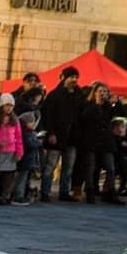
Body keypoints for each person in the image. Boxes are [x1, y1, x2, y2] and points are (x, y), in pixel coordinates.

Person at [72, 82, 124, 203]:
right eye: (100, 91)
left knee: (110, 167)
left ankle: (110, 192)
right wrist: (96, 104)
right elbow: (84, 117)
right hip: (90, 141)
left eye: (105, 91)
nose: (102, 94)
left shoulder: (108, 106)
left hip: (106, 141)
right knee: (90, 167)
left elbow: (120, 114)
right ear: (94, 92)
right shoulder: (88, 105)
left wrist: (117, 103)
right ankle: (89, 191)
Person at [41, 66, 83, 200]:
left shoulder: (79, 95)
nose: (74, 80)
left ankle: (64, 192)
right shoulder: (54, 95)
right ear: (64, 78)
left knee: (68, 167)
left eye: (76, 77)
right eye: (71, 77)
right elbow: (48, 115)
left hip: (72, 137)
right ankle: (45, 192)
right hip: (57, 136)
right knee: (50, 166)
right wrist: (51, 133)